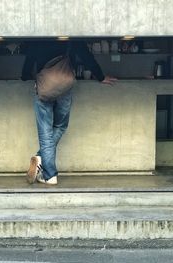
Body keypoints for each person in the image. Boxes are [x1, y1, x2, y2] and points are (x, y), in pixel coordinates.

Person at [22, 40, 116, 185]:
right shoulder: (70, 36)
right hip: (64, 88)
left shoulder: (38, 36)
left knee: (45, 132)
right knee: (60, 126)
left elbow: (29, 61)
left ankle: (48, 171)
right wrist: (100, 76)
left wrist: (24, 76)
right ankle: (43, 164)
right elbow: (86, 56)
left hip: (43, 88)